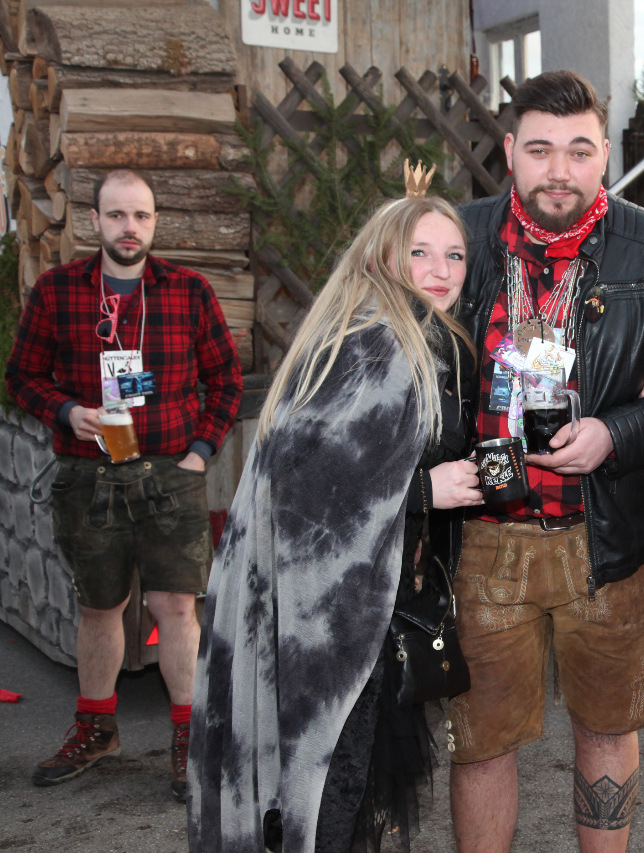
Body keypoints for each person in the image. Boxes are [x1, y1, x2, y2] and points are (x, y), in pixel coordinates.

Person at [448, 69, 644, 852]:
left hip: (605, 537)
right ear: (509, 150)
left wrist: (618, 431)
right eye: (540, 150)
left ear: (605, 153)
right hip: (481, 536)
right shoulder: (456, 237)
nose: (559, 170)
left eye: (579, 150)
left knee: (607, 728)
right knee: (480, 740)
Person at [187, 186, 481, 852]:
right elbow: (308, 486)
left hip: (358, 606)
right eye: (420, 252)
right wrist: (423, 490)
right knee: (328, 794)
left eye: (455, 254)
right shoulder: (373, 344)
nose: (441, 270)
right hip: (331, 626)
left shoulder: (408, 336)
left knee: (350, 795)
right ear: (380, 259)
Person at [5, 169, 243, 798]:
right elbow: (22, 376)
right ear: (95, 222)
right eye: (116, 215)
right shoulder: (57, 291)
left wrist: (200, 453)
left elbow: (225, 379)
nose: (129, 227)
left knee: (176, 608)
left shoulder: (188, 291)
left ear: (155, 222)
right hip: (89, 477)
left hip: (171, 475)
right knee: (98, 606)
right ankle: (96, 729)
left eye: (140, 215)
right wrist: (65, 411)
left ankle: (190, 737)